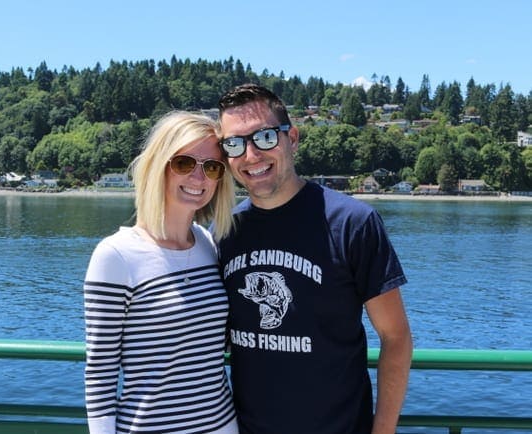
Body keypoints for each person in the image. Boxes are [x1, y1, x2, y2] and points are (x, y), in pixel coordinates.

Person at [216, 83, 413, 434]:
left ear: (292, 138)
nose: (250, 156)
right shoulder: (225, 233)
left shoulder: (352, 223)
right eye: (234, 144)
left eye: (263, 137)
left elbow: (395, 337)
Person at [83, 111, 239, 434]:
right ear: (159, 166)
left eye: (211, 168)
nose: (199, 179)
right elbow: (100, 375)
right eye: (184, 163)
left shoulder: (209, 246)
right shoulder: (116, 256)